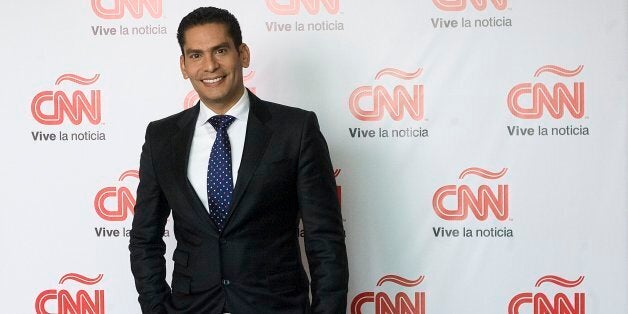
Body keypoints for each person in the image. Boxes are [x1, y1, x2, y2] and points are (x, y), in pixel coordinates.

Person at [129, 6, 349, 314]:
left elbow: (324, 238)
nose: (210, 65)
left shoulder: (295, 130)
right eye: (196, 55)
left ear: (242, 54)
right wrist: (157, 308)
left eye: (220, 50)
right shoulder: (161, 137)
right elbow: (144, 238)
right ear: (183, 65)